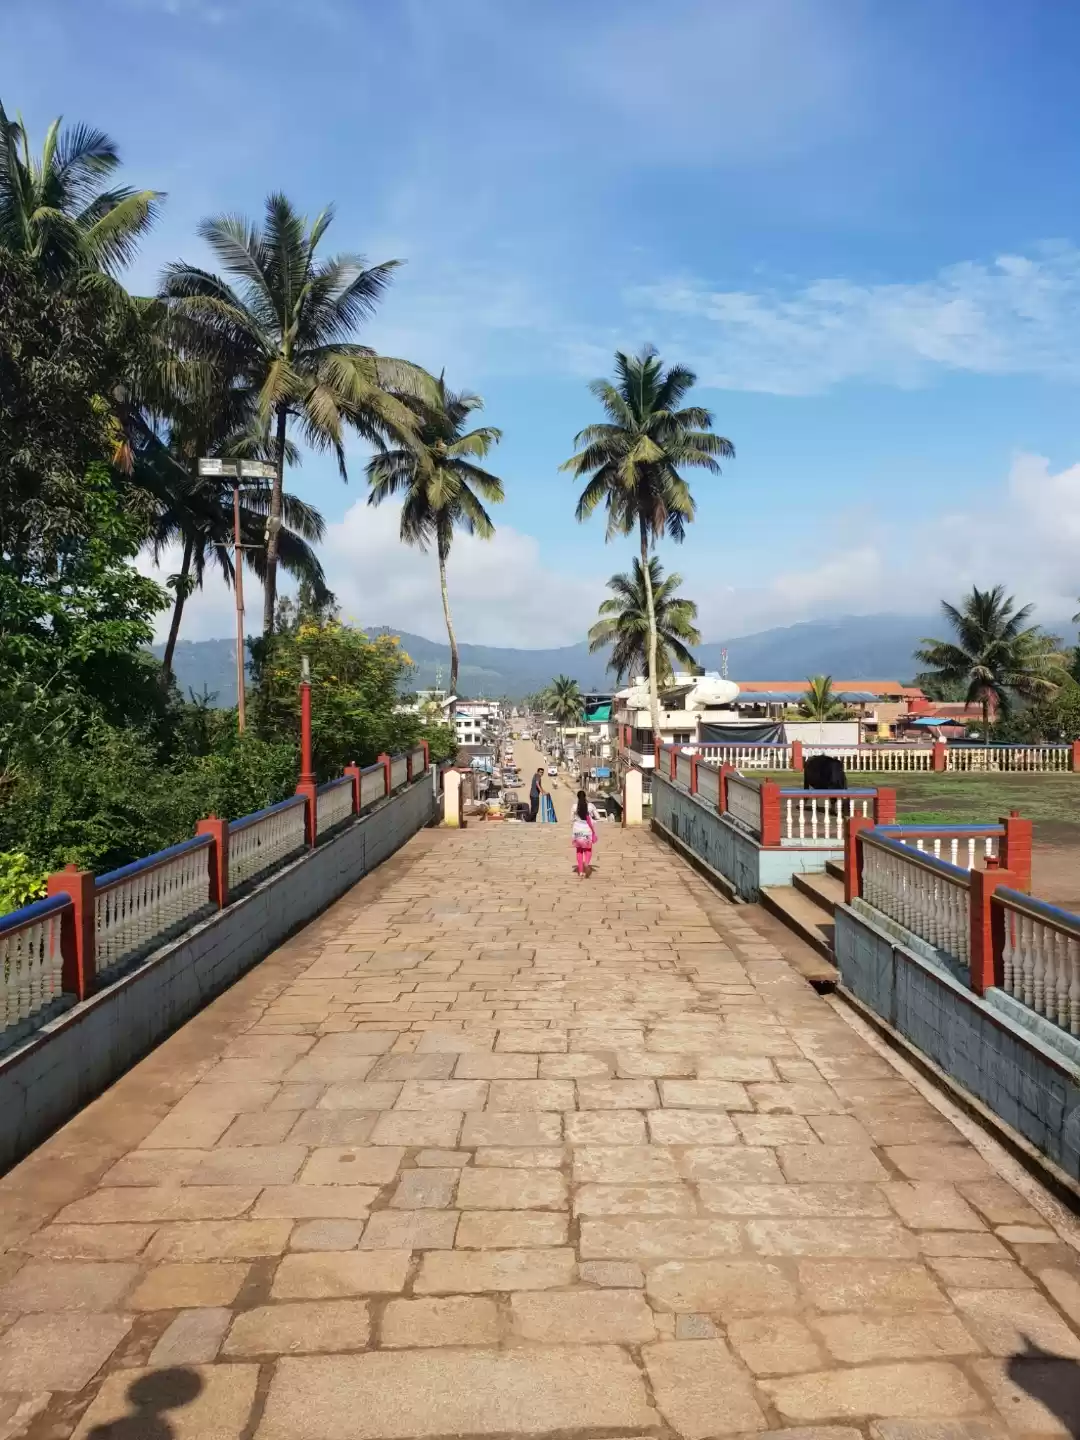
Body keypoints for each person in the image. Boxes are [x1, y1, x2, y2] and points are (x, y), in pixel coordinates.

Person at [571, 788, 598, 879]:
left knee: (579, 851)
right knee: (588, 850)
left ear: (577, 797)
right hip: (587, 831)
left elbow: (571, 819)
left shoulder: (574, 806)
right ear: (585, 797)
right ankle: (586, 864)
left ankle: (580, 871)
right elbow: (597, 816)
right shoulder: (591, 806)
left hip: (577, 831)